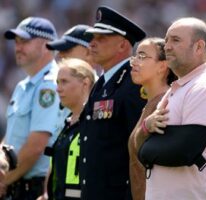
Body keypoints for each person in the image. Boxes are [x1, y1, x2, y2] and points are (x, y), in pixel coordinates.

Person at [139, 17, 206, 200]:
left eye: (175, 40)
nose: (167, 47)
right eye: (166, 40)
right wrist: (146, 128)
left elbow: (183, 151)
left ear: (199, 47)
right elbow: (139, 146)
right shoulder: (177, 89)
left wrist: (148, 148)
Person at [78, 6, 146, 200]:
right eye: (92, 38)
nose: (92, 44)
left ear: (123, 45)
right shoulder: (102, 83)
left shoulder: (134, 83)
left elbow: (139, 147)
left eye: (101, 39)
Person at [0, 17, 62, 200]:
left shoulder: (50, 85)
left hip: (34, 188)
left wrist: (4, 180)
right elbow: (11, 136)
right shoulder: (23, 85)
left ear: (47, 45)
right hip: (16, 184)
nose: (18, 47)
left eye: (25, 41)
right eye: (17, 42)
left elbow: (36, 146)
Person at [36, 58, 96, 200]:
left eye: (64, 81)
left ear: (85, 83)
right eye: (57, 82)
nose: (58, 88)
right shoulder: (66, 122)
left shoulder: (96, 122)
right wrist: (46, 194)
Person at [128, 37, 177, 200]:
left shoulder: (167, 104)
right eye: (135, 56)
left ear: (162, 66)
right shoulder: (151, 104)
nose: (134, 61)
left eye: (142, 56)